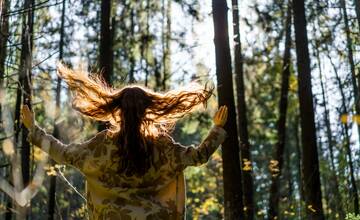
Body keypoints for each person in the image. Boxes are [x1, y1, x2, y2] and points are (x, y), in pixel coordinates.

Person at [21, 63, 228, 220]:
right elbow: (199, 156)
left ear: (116, 111)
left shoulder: (101, 147)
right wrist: (216, 129)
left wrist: (34, 129)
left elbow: (63, 153)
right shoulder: (162, 147)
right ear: (148, 110)